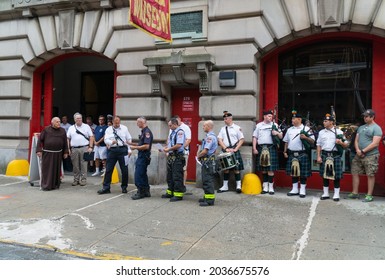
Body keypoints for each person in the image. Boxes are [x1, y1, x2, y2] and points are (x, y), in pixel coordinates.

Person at [348, 109, 382, 202]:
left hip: (371, 155)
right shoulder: (361, 127)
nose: (365, 118)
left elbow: (375, 143)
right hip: (358, 153)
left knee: (370, 174)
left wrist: (363, 151)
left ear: (372, 117)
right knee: (354, 172)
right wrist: (358, 150)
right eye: (364, 116)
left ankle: (369, 195)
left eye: (366, 116)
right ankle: (355, 193)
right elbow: (356, 140)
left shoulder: (376, 128)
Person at [316, 114, 348, 201]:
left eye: (326, 121)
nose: (324, 122)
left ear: (331, 122)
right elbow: (318, 145)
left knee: (336, 176)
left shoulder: (339, 132)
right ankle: (325, 193)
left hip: (335, 155)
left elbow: (346, 145)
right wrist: (318, 156)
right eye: (323, 121)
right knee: (324, 175)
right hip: (325, 155)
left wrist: (340, 143)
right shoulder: (321, 132)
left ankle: (336, 194)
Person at [283, 110, 315, 198]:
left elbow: (313, 142)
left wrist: (305, 137)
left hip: (303, 154)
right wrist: (285, 151)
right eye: (292, 118)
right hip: (292, 153)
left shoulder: (306, 129)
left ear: (299, 119)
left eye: (294, 118)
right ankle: (294, 189)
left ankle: (302, 190)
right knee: (294, 172)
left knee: (303, 174)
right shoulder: (289, 129)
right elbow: (286, 142)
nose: (292, 120)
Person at [97, 116, 132, 194]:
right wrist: (111, 142)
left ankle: (124, 187)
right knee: (109, 169)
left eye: (118, 122)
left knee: (124, 170)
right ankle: (106, 188)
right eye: (116, 123)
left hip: (123, 150)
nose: (117, 124)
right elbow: (106, 139)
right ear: (112, 122)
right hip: (112, 150)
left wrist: (129, 149)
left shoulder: (124, 128)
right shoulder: (108, 129)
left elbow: (129, 139)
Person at [252, 110, 283, 195]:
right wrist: (254, 148)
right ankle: (265, 187)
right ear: (264, 116)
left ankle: (271, 187)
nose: (271, 117)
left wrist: (276, 132)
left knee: (270, 169)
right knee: (263, 170)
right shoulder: (259, 125)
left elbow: (281, 136)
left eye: (271, 116)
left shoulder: (275, 125)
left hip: (271, 148)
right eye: (269, 116)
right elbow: (255, 137)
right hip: (261, 148)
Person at [36, 117, 69, 191]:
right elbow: (39, 140)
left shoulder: (63, 131)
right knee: (47, 170)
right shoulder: (46, 130)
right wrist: (39, 150)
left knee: (56, 170)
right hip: (48, 153)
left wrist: (66, 152)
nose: (59, 123)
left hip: (58, 153)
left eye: (59, 122)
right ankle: (46, 185)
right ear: (52, 123)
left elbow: (65, 143)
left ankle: (55, 185)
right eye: (57, 122)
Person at [217, 111, 245, 193]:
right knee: (226, 169)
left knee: (236, 169)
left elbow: (241, 139)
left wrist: (236, 149)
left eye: (226, 119)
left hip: (234, 150)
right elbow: (220, 140)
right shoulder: (223, 129)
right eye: (224, 119)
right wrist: (225, 148)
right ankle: (225, 186)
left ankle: (238, 186)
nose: (224, 120)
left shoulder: (237, 128)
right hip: (226, 150)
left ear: (230, 119)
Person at [161, 117, 186, 201]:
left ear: (175, 124)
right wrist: (165, 148)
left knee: (177, 176)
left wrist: (169, 149)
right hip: (172, 157)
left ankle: (178, 194)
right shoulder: (173, 132)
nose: (169, 127)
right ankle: (170, 192)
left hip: (177, 157)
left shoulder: (180, 132)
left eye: (170, 125)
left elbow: (179, 145)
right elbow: (171, 144)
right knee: (170, 176)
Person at [67, 113, 94, 186]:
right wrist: (68, 149)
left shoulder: (86, 126)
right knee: (75, 165)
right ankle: (76, 180)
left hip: (84, 147)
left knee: (84, 165)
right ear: (74, 119)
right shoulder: (71, 128)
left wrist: (90, 147)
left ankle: (83, 180)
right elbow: (68, 139)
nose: (79, 120)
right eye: (77, 118)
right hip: (74, 148)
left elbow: (91, 137)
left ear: (82, 119)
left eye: (80, 118)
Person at [130, 117, 153, 200]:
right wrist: (132, 144)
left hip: (143, 156)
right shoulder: (144, 132)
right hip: (142, 156)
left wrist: (135, 148)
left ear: (141, 123)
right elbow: (141, 143)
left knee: (138, 174)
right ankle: (146, 191)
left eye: (137, 123)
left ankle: (140, 192)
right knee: (143, 174)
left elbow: (146, 146)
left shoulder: (147, 132)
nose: (137, 124)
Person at [197, 120, 218, 206]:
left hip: (208, 162)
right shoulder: (209, 136)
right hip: (208, 161)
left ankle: (209, 200)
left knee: (208, 180)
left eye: (204, 126)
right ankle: (206, 197)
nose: (203, 127)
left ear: (209, 127)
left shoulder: (210, 138)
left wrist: (198, 156)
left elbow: (205, 150)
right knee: (206, 179)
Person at [174, 115, 192, 185]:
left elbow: (188, 140)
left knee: (183, 169)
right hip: (174, 152)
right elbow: (169, 138)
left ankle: (183, 185)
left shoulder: (185, 128)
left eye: (176, 121)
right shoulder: (172, 127)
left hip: (183, 152)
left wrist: (181, 147)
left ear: (179, 119)